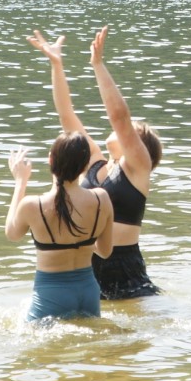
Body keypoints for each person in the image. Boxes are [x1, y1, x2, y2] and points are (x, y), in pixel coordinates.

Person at [28, 26, 163, 300]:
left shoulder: (138, 168)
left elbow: (119, 118)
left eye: (132, 132)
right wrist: (56, 65)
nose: (123, 131)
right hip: (85, 270)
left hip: (126, 272)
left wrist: (98, 64)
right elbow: (66, 115)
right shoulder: (94, 163)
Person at [4, 134, 113, 321]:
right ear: (85, 166)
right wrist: (80, 239)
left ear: (51, 160)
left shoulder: (34, 205)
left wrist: (20, 182)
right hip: (89, 291)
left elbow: (12, 234)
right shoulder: (101, 198)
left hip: (52, 293)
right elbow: (105, 251)